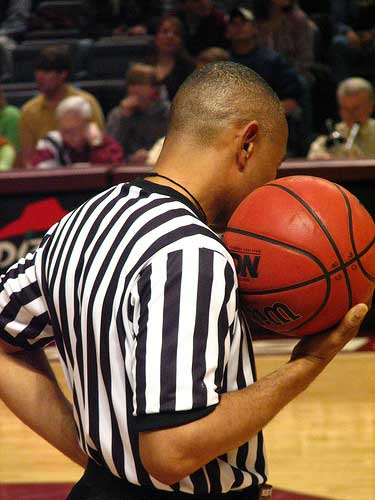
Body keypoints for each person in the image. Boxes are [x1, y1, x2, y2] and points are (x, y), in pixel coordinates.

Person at [0, 62, 369, 500]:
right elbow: (171, 451)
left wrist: (96, 457)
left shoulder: (79, 221)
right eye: (276, 162)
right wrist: (306, 365)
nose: (273, 180)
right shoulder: (191, 252)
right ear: (247, 142)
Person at [226, 5, 307, 156]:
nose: (238, 27)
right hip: (228, 134)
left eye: (243, 23)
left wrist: (256, 119)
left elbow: (291, 101)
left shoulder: (273, 61)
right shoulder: (221, 62)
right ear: (227, 31)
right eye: (233, 23)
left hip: (267, 133)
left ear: (255, 28)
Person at [19, 44, 105, 168]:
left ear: (63, 74)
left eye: (47, 71)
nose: (39, 76)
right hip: (43, 175)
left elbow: (99, 144)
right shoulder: (29, 111)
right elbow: (28, 159)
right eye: (37, 70)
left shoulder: (87, 102)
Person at [30, 96, 124, 169]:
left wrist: (96, 145)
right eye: (66, 131)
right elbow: (41, 175)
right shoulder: (50, 144)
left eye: (76, 130)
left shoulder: (105, 144)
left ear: (88, 125)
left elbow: (110, 179)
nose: (72, 137)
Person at [106, 63, 170, 165]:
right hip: (128, 168)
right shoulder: (118, 114)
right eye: (132, 85)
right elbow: (110, 150)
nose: (135, 90)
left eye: (141, 84)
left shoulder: (169, 113)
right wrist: (124, 118)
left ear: (154, 88)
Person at [307, 77, 375, 160]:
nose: (350, 115)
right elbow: (314, 154)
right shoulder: (331, 136)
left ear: (370, 106)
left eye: (356, 109)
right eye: (345, 109)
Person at [148, 15, 195, 100]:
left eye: (176, 33)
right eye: (165, 32)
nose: (170, 36)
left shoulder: (189, 68)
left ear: (181, 40)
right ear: (156, 37)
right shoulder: (144, 65)